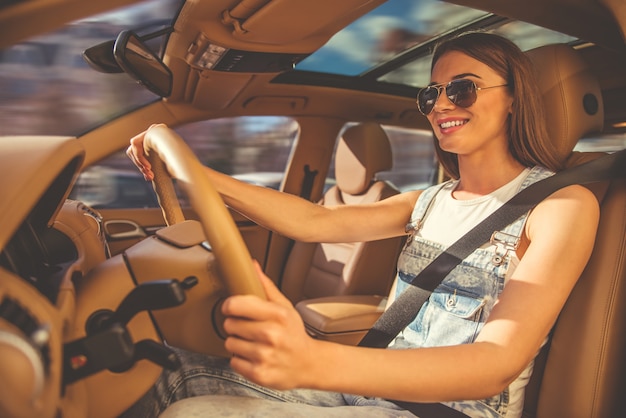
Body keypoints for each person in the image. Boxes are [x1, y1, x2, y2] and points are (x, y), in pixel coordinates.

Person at [122, 32, 599, 418]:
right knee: (163, 370)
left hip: (445, 412)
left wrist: (312, 360)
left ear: (515, 99)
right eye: (432, 93)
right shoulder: (427, 201)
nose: (440, 105)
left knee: (193, 413)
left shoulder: (562, 205)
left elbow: (495, 365)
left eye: (462, 88)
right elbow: (314, 221)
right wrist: (193, 173)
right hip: (368, 394)